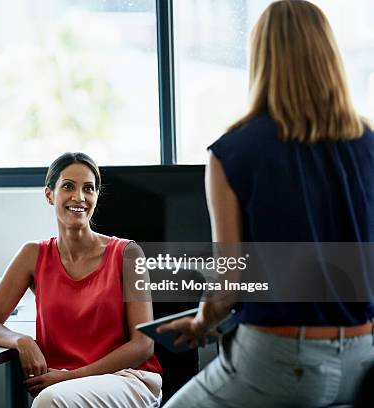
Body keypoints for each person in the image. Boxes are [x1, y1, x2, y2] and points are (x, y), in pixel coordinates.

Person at [159, 1, 374, 407]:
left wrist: (202, 322)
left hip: (280, 361)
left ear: (262, 60)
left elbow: (229, 284)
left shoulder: (233, 151)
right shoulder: (369, 142)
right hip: (365, 362)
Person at [0, 152, 163, 407]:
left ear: (97, 196)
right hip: (66, 387)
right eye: (68, 187)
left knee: (48, 401)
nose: (79, 197)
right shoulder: (33, 255)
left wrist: (71, 377)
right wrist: (22, 340)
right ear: (49, 195)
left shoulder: (128, 253)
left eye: (89, 189)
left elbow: (144, 345)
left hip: (127, 380)